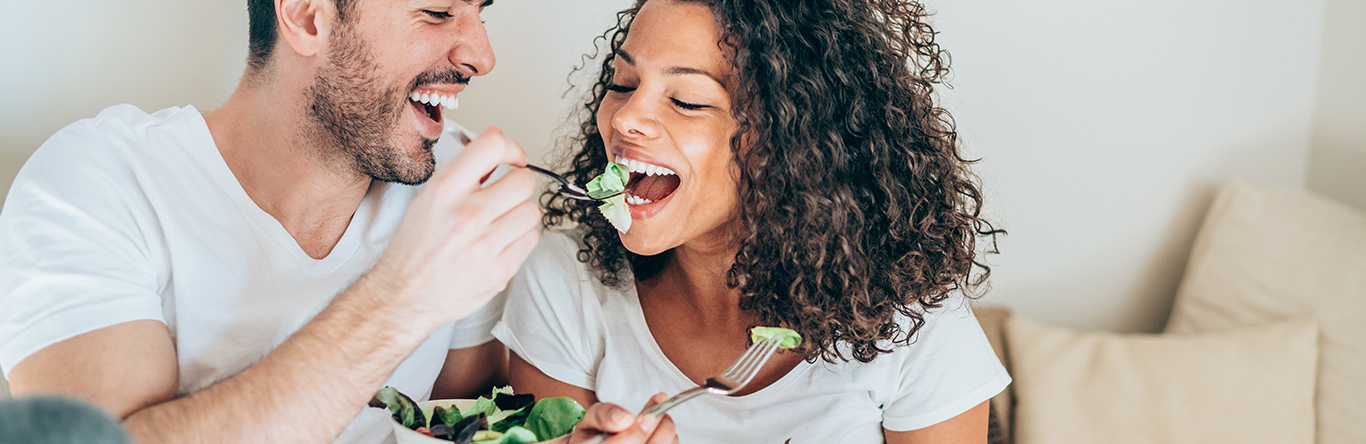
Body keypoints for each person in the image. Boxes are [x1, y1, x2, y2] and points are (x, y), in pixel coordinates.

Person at [0, 1, 667, 443]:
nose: (481, 55)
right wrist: (401, 299)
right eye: (437, 9)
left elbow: (469, 415)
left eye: (480, 11)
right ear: (309, 15)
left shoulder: (460, 186)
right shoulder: (97, 183)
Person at [494, 0, 1011, 442]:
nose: (625, 117)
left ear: (793, 140)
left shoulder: (913, 319)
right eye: (623, 82)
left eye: (687, 100)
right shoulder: (565, 279)